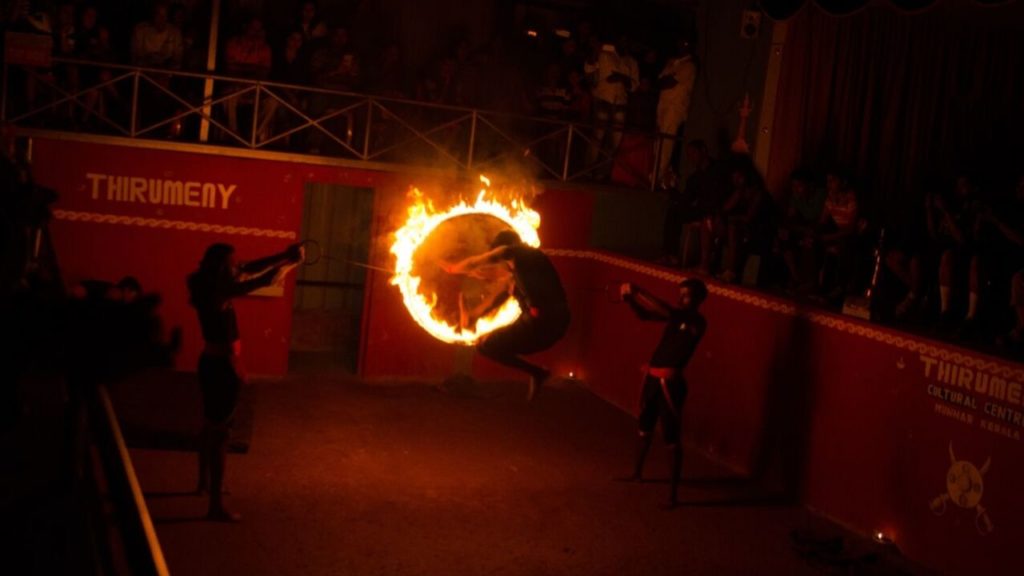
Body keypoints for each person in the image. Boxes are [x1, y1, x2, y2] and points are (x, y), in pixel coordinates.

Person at [186, 241, 303, 521]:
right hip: (222, 367)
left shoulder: (206, 283)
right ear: (221, 267)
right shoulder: (220, 291)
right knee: (221, 433)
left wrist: (283, 256)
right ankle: (215, 505)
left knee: (209, 426)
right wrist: (291, 263)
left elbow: (251, 267)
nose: (238, 265)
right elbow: (262, 279)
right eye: (232, 263)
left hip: (209, 362)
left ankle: (203, 483)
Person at [441, 230, 570, 402]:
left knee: (486, 344)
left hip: (544, 322)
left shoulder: (514, 252)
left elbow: (474, 262)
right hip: (550, 324)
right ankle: (538, 373)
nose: (501, 264)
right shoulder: (520, 273)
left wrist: (452, 269)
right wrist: (472, 314)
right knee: (485, 344)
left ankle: (538, 373)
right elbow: (493, 302)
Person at [617, 277, 708, 509]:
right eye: (681, 293)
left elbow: (665, 309)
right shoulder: (676, 318)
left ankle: (673, 494)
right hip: (653, 382)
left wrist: (638, 291)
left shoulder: (697, 321)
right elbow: (645, 316)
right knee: (643, 429)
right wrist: (630, 301)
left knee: (671, 439)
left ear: (698, 299)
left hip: (670, 386)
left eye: (685, 295)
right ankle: (637, 473)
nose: (680, 298)